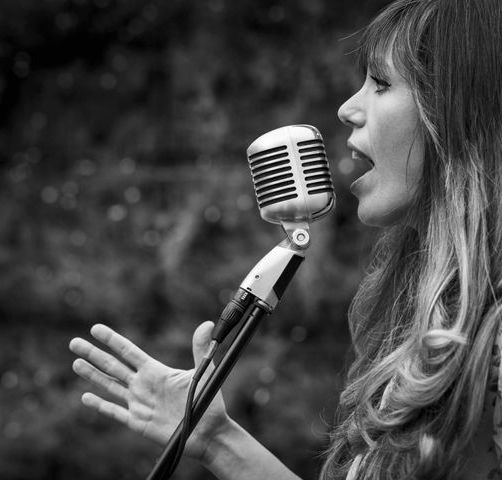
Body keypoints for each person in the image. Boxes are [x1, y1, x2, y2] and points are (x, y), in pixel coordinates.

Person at [69, 0, 502, 478]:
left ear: (461, 113)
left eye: (380, 84)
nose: (347, 109)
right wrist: (217, 442)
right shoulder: (430, 314)